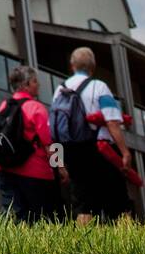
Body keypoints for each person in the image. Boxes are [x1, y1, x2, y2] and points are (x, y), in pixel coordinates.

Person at [51, 47, 132, 225]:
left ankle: (83, 247)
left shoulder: (60, 90)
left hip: (73, 153)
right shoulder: (99, 86)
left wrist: (58, 164)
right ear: (93, 67)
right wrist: (124, 152)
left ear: (72, 66)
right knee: (118, 201)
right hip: (101, 151)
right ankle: (127, 245)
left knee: (83, 203)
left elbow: (54, 131)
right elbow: (112, 121)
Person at [0, 66, 68, 223]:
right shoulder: (37, 107)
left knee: (14, 218)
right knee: (40, 219)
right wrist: (60, 168)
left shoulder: (4, 106)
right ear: (26, 84)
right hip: (35, 173)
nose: (38, 85)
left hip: (5, 169)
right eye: (35, 81)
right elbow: (49, 143)